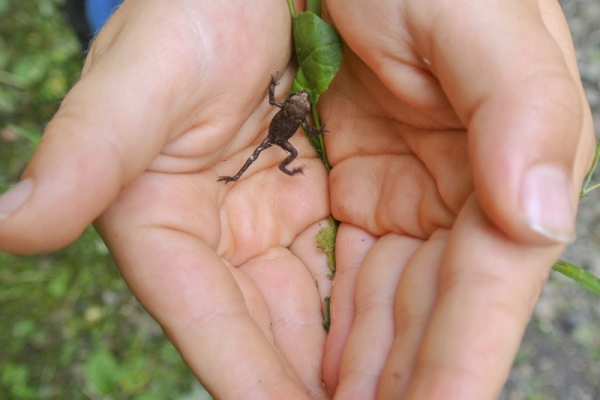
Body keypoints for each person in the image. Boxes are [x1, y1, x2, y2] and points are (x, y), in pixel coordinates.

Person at [0, 0, 594, 398]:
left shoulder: (300, 112)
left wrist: (296, 134)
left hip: (274, 133)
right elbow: (283, 117)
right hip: (255, 117)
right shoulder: (290, 112)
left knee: (257, 152)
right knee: (209, 120)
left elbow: (302, 123)